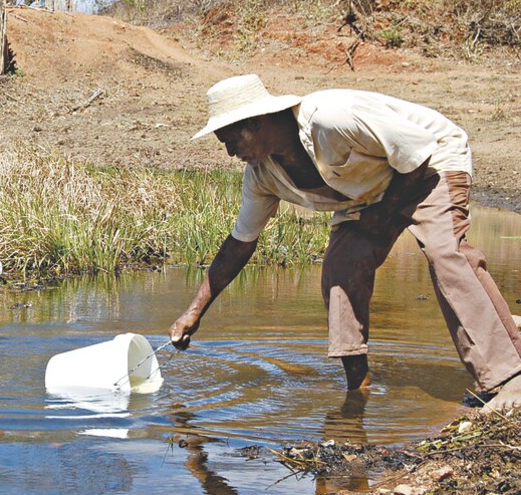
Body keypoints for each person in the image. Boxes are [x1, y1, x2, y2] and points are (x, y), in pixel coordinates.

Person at [169, 74, 521, 414]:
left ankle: (508, 379)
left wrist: (384, 213)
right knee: (340, 270)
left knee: (446, 253)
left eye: (232, 141)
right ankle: (357, 390)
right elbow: (239, 244)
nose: (231, 153)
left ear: (257, 122)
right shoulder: (262, 176)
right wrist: (193, 312)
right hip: (368, 196)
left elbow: (417, 152)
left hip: (430, 164)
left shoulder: (330, 118)